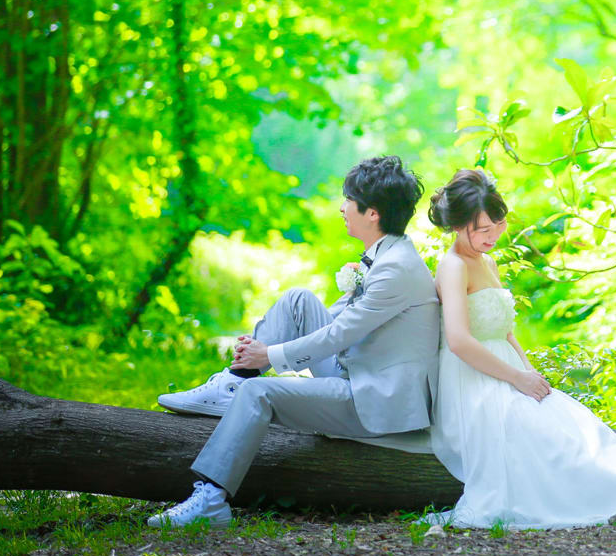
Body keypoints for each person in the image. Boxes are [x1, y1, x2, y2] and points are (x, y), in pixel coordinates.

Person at [147, 155, 440, 529]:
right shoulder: (388, 254)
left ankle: (210, 499)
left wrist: (268, 354)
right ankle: (234, 381)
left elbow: (340, 333)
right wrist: (259, 353)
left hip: (375, 399)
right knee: (298, 300)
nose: (342, 207)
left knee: (261, 395)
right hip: (357, 369)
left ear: (373, 213)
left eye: (348, 199)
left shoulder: (397, 267)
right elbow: (337, 320)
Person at [428, 168, 616, 529]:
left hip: (507, 373)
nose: (494, 236)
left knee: (580, 423)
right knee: (549, 436)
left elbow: (505, 331)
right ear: (459, 226)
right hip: (472, 386)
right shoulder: (454, 266)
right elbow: (459, 341)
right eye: (483, 229)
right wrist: (518, 379)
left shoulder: (487, 262)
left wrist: (529, 372)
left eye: (499, 225)